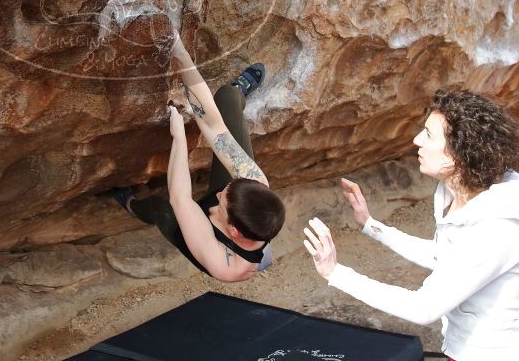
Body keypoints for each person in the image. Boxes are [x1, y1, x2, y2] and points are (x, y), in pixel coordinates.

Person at [303, 89, 519, 361]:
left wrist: (335, 273)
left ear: (456, 157)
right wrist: (371, 225)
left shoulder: (498, 228)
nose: (416, 139)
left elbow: (424, 308)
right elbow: (443, 257)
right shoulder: (452, 192)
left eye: (428, 135)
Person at [112, 33, 285, 282]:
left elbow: (180, 197)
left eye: (222, 200)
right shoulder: (255, 183)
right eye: (226, 190)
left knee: (162, 208)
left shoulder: (224, 264)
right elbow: (214, 127)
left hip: (200, 235)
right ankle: (237, 94)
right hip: (227, 215)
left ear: (233, 232)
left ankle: (131, 205)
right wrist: (181, 54)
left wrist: (179, 138)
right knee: (226, 97)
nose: (217, 193)